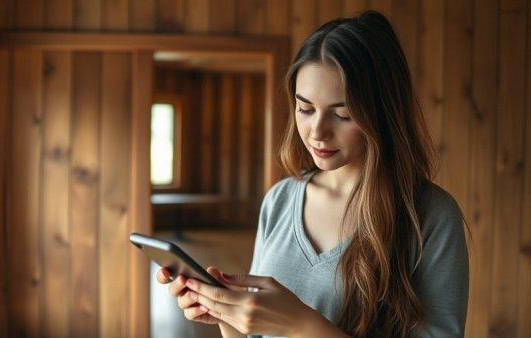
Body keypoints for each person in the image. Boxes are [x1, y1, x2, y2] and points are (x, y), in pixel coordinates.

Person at [156, 10, 469, 338]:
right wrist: (224, 313)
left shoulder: (430, 215)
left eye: (342, 115)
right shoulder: (281, 198)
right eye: (305, 109)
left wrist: (298, 323)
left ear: (382, 113)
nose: (317, 132)